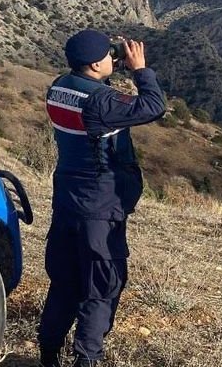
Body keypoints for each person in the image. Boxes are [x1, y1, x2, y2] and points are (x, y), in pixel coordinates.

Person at [38, 29, 167, 367]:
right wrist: (141, 70)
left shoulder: (58, 87)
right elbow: (153, 106)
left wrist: (114, 66)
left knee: (65, 281)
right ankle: (87, 358)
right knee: (101, 287)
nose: (115, 58)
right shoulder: (100, 103)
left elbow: (95, 90)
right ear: (95, 64)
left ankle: (48, 351)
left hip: (67, 199)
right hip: (99, 206)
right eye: (109, 56)